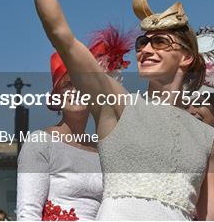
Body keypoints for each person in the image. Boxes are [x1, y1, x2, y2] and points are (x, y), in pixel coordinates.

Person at [22, 0, 214, 220]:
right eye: (142, 42)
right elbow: (62, 36)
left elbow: (213, 218)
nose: (145, 49)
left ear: (186, 57)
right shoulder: (116, 105)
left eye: (160, 42)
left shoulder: (209, 140)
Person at [17, 25, 132, 220]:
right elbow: (28, 213)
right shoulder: (40, 143)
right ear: (58, 96)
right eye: (68, 84)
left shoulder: (103, 149)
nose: (76, 90)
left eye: (81, 83)